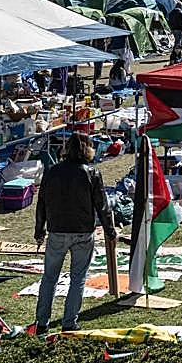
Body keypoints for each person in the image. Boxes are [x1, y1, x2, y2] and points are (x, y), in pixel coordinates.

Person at [33, 133, 116, 333]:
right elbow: (102, 205)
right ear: (88, 150)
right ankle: (69, 322)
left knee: (49, 277)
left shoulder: (52, 172)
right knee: (77, 278)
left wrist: (39, 231)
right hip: (82, 232)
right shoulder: (91, 173)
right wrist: (110, 230)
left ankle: (42, 323)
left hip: (57, 231)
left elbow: (41, 203)